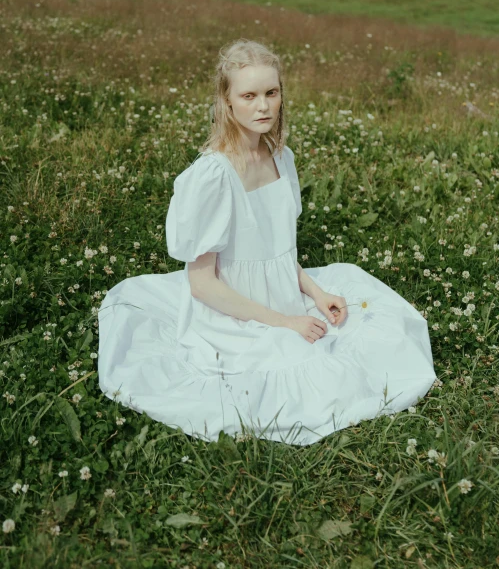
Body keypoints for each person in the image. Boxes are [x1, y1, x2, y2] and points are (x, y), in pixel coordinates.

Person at [98, 38, 437, 446]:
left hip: (282, 293)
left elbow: (275, 253)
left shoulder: (281, 158)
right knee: (299, 378)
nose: (263, 106)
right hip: (232, 312)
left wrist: (315, 289)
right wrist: (285, 322)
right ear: (226, 102)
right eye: (249, 95)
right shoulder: (213, 176)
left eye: (271, 93)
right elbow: (201, 284)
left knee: (375, 329)